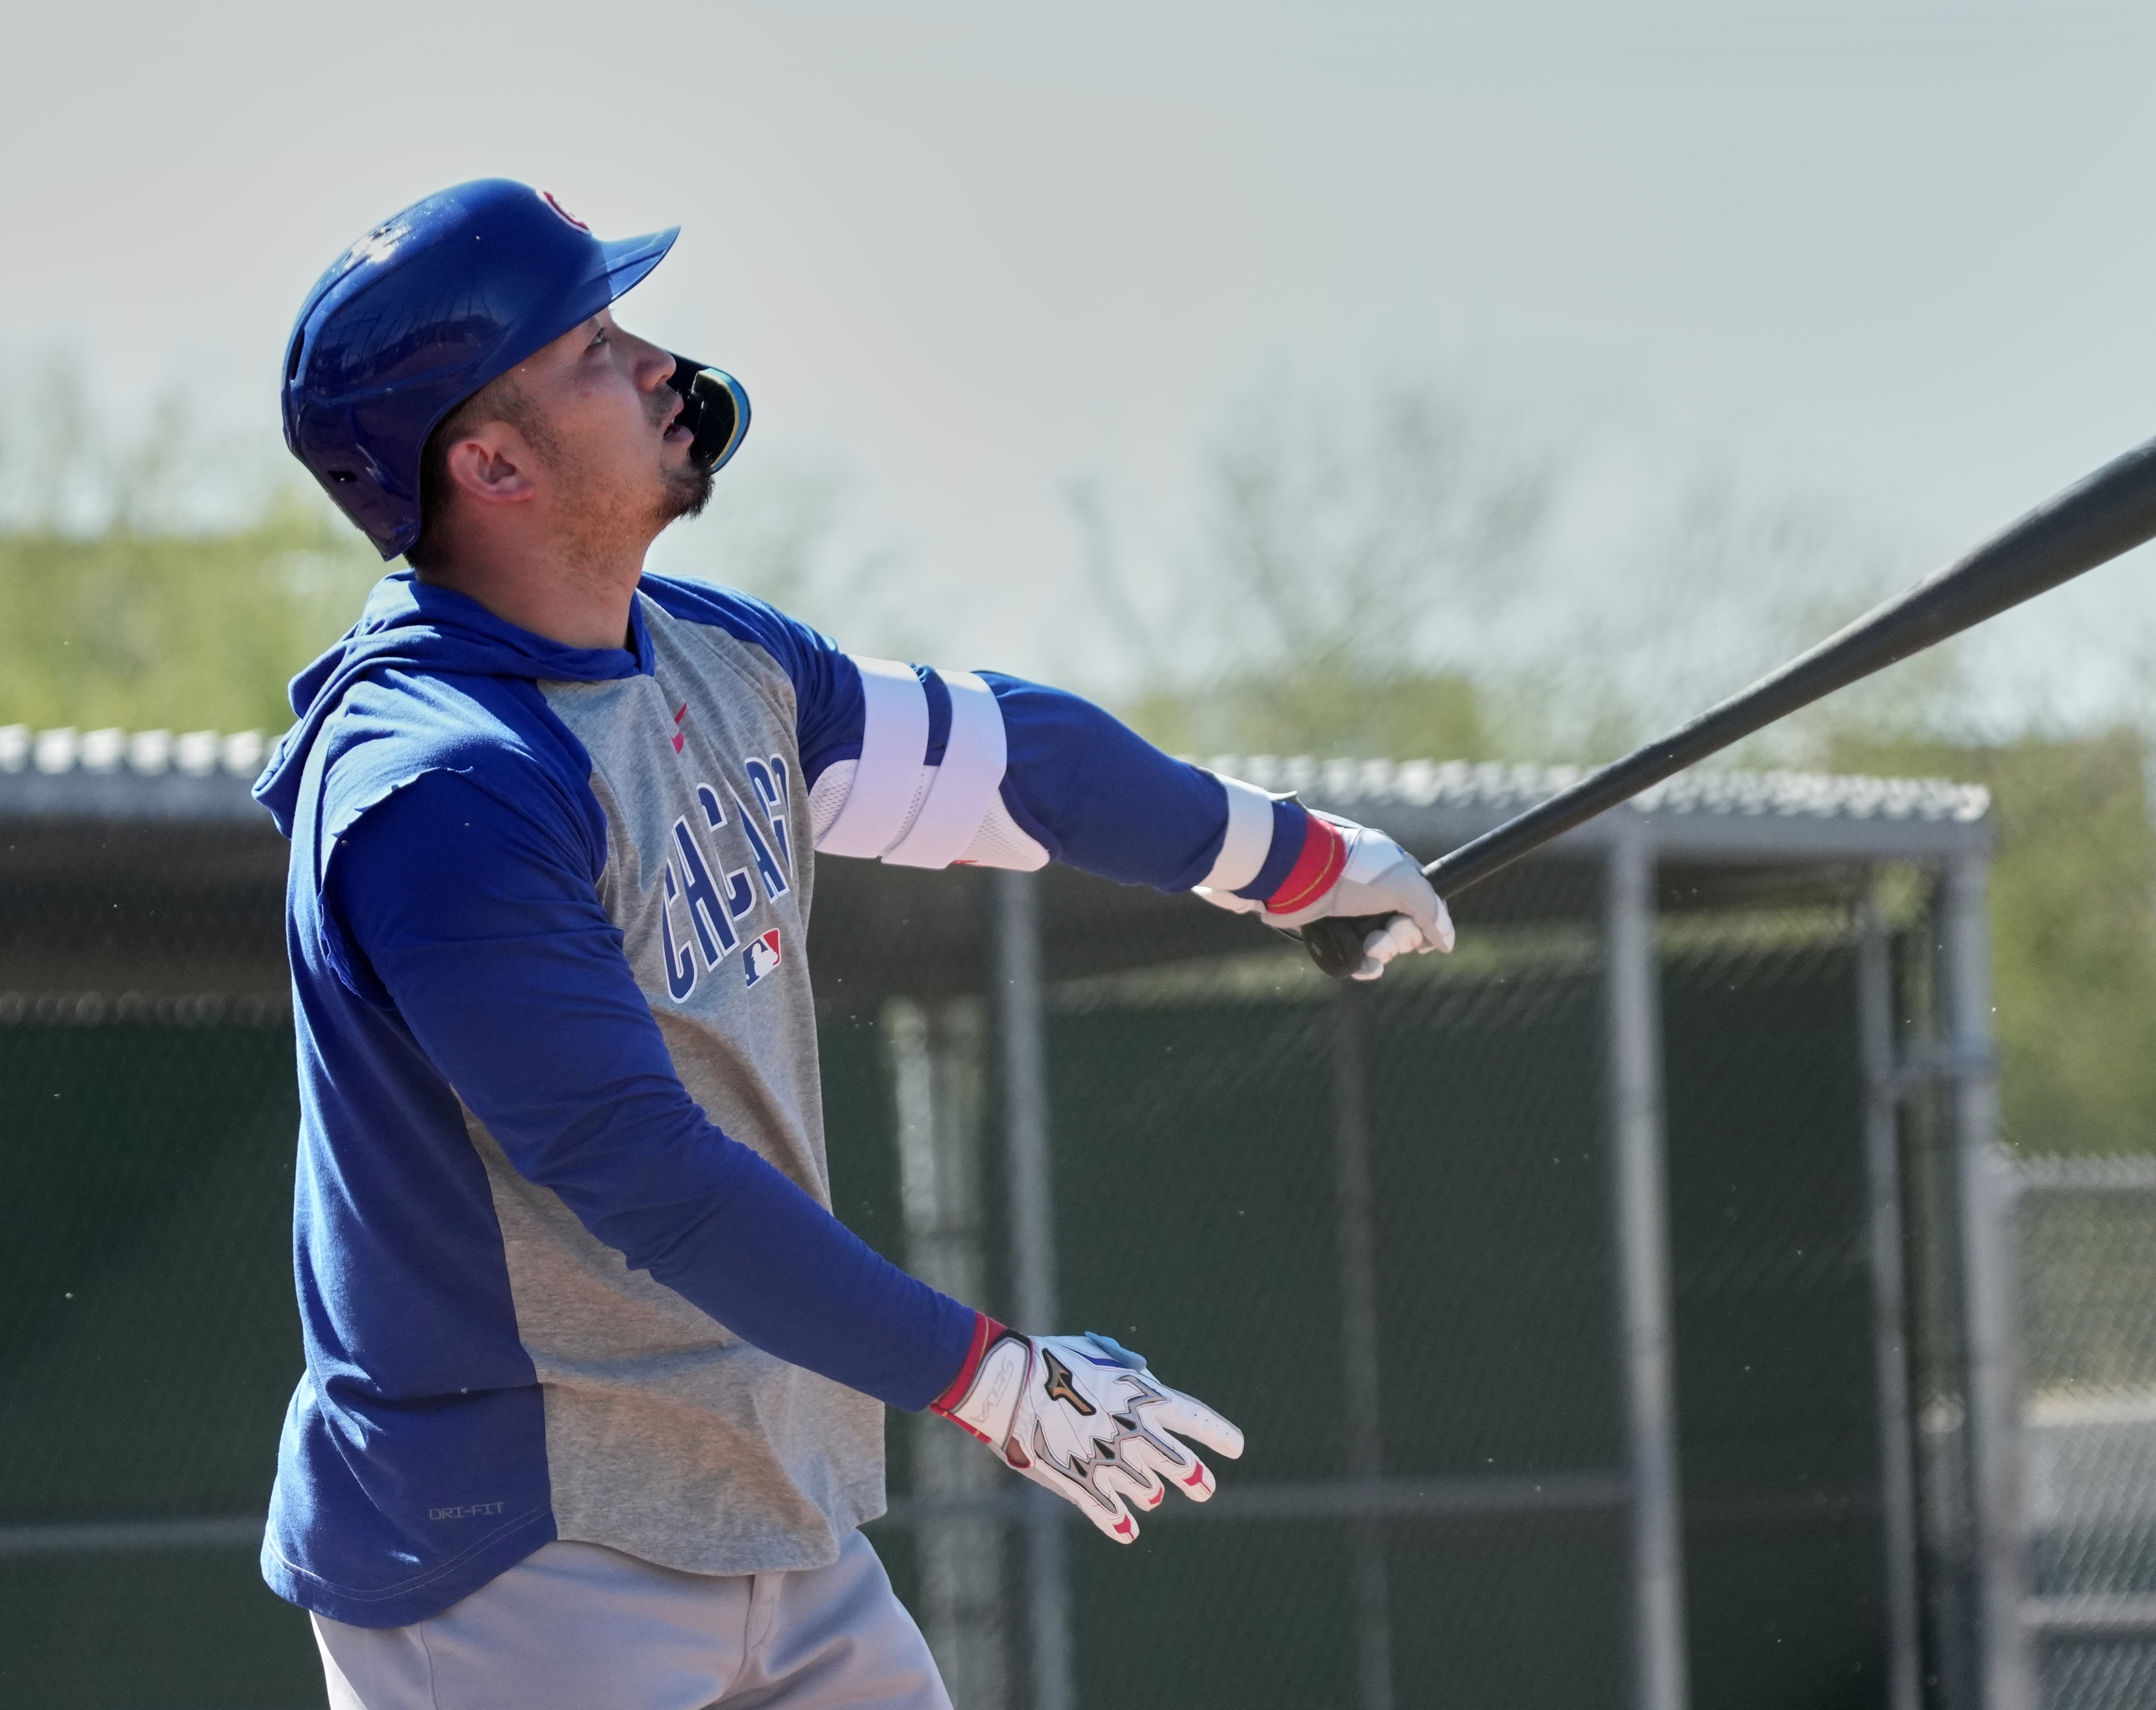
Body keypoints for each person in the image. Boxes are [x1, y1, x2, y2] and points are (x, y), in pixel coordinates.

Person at [254, 179, 1455, 1710]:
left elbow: (1012, 759)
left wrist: (1293, 861)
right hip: (519, 1559)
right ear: (487, 461)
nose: (651, 366)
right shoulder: (444, 788)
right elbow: (650, 1178)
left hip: (775, 1503)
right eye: (590, 348)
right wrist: (996, 1380)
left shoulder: (706, 652)